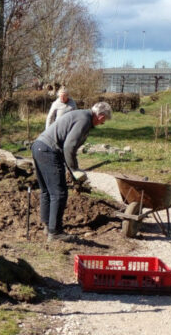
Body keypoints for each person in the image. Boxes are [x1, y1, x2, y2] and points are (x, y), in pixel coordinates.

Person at [32, 101, 112, 242]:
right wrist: (74, 169)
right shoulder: (84, 120)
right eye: (103, 121)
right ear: (100, 116)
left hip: (39, 146)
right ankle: (55, 232)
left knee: (47, 191)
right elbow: (69, 146)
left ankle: (48, 226)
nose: (101, 124)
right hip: (48, 150)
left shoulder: (81, 115)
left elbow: (68, 147)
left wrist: (72, 169)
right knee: (59, 193)